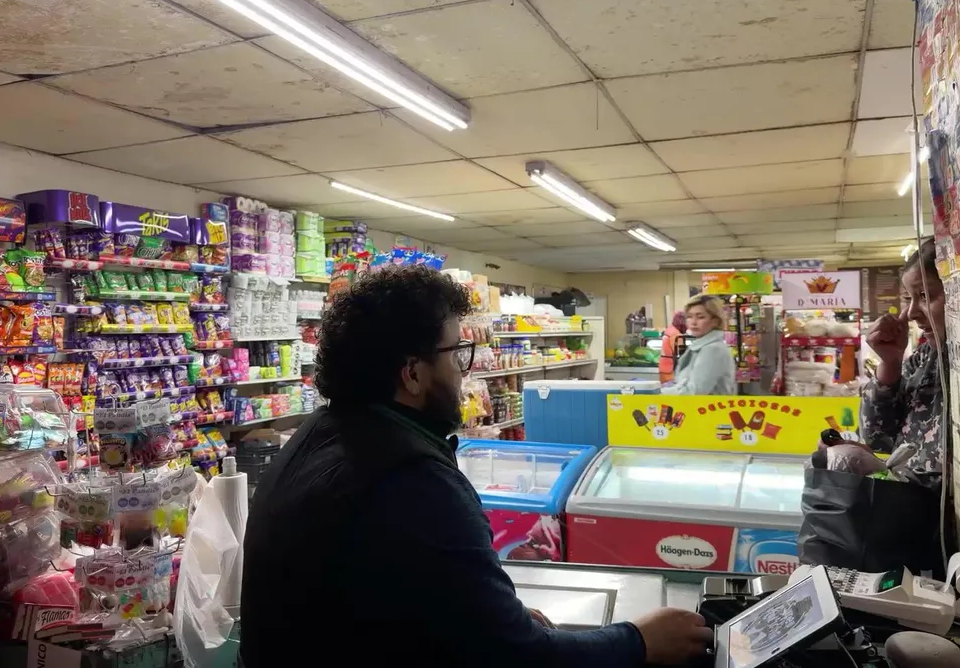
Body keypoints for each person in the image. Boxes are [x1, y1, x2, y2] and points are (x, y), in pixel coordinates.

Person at [240, 265, 713, 666]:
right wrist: (639, 641)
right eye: (456, 353)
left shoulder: (317, 435)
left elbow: (385, 592)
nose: (463, 372)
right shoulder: (413, 479)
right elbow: (517, 657)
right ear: (413, 373)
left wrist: (489, 613)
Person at [861, 237, 946, 490]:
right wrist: (890, 362)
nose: (910, 313)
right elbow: (879, 438)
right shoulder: (924, 358)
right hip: (914, 506)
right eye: (909, 298)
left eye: (925, 295)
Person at [672, 294, 737, 395]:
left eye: (700, 317)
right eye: (689, 317)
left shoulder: (713, 350)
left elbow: (695, 392)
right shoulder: (701, 347)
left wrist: (658, 393)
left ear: (715, 321)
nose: (693, 322)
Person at [658, 311, 687, 383]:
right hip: (671, 369)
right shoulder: (676, 335)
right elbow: (680, 354)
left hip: (664, 367)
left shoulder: (669, 330)